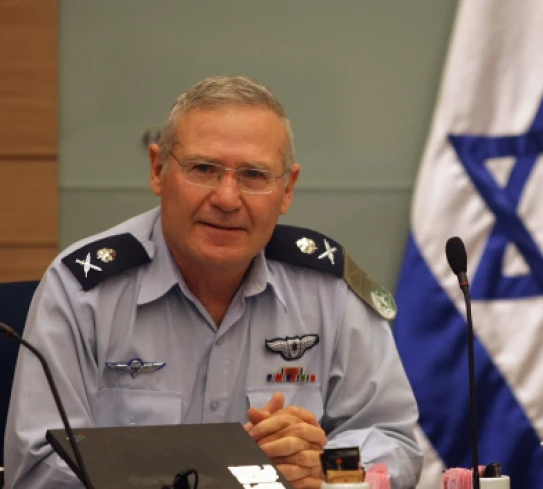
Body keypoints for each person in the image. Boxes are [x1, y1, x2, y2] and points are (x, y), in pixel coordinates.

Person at [4, 75, 422, 489]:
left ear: (287, 189)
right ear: (157, 170)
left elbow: (394, 441)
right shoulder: (82, 291)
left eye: (254, 175)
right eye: (204, 169)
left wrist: (328, 468)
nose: (226, 198)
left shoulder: (326, 288)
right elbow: (39, 469)